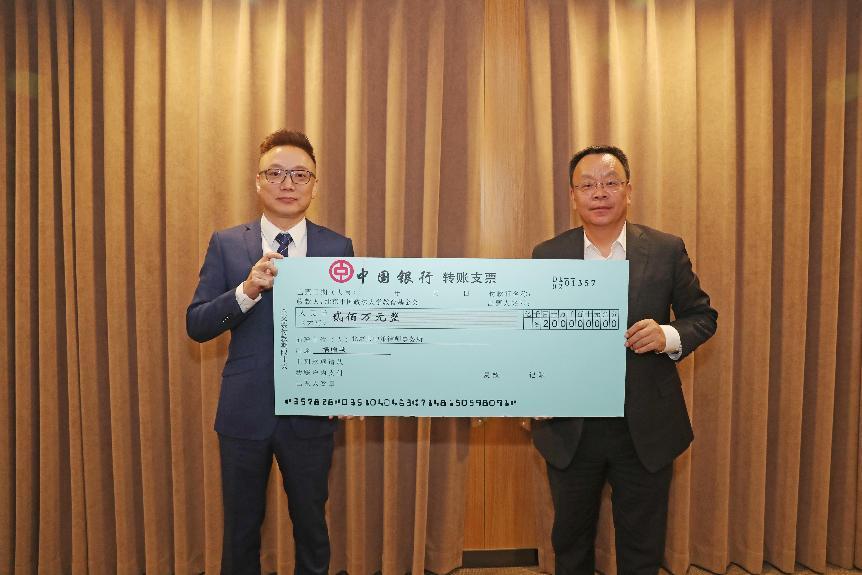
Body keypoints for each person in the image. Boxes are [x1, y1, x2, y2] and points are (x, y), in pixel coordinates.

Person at [531, 145, 717, 575]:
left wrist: (667, 335)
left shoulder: (666, 249)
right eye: (587, 185)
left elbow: (702, 317)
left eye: (610, 182)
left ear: (629, 191)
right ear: (573, 196)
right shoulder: (548, 254)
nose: (600, 193)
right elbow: (532, 332)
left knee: (642, 546)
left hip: (645, 425)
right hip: (571, 425)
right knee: (570, 543)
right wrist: (531, 388)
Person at [187, 130, 354, 575]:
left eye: (300, 175)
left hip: (312, 413)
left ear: (315, 185)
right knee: (241, 532)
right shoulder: (226, 244)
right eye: (276, 173)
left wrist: (349, 389)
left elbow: (349, 330)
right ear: (258, 182)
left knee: (312, 529)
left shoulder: (337, 248)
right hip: (244, 411)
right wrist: (245, 290)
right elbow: (197, 324)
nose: (288, 183)